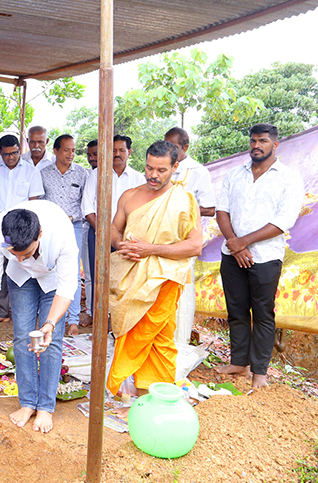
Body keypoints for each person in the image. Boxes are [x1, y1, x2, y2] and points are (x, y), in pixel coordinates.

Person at [107, 141, 202, 396]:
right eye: (149, 168)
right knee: (130, 332)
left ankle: (152, 395)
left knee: (159, 339)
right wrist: (119, 243)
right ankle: (136, 391)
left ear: (175, 167)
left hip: (162, 281)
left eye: (161, 170)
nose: (153, 175)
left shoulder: (184, 200)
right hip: (129, 278)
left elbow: (194, 246)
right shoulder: (129, 196)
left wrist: (151, 249)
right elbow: (114, 229)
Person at [0, 201, 79, 433]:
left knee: (49, 341)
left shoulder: (61, 233)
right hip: (20, 280)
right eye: (15, 254)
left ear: (40, 235)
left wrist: (49, 324)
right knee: (23, 337)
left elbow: (67, 289)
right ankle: (27, 403)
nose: (21, 259)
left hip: (53, 281)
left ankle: (45, 407)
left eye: (27, 253)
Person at [215, 124, 304, 389]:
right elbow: (222, 211)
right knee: (237, 310)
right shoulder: (234, 175)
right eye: (253, 141)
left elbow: (283, 221)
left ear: (275, 145)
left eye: (263, 141)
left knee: (263, 313)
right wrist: (236, 246)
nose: (256, 145)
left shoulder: (288, 177)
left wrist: (244, 242)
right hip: (232, 255)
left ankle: (260, 373)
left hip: (265, 257)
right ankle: (239, 363)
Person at [164, 127, 217, 345]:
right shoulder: (162, 166)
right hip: (160, 237)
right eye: (166, 145)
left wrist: (183, 210)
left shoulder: (198, 172)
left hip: (185, 239)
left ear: (185, 147)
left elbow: (210, 208)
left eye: (173, 146)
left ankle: (180, 341)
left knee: (182, 289)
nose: (169, 149)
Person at [81, 134, 144, 316]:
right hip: (98, 233)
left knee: (123, 276)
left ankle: (118, 317)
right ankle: (97, 316)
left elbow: (141, 210)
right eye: (113, 150)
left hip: (126, 236)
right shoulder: (96, 174)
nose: (117, 154)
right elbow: (87, 207)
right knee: (98, 277)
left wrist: (121, 233)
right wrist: (104, 232)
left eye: (121, 150)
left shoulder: (138, 178)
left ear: (129, 152)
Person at [40, 134, 88, 335]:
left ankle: (73, 320)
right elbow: (40, 202)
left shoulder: (82, 174)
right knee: (49, 270)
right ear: (56, 151)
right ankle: (50, 318)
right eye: (67, 149)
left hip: (73, 226)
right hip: (49, 228)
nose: (71, 154)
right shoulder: (43, 173)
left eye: (74, 150)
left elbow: (86, 202)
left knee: (73, 274)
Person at [0, 134, 43, 322]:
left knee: (23, 264)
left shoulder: (31, 172)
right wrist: (0, 221)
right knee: (3, 265)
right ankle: (1, 309)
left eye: (14, 153)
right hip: (0, 228)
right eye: (6, 154)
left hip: (23, 229)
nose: (11, 157)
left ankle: (24, 310)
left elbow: (34, 202)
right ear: (0, 153)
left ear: (19, 150)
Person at [80, 139, 98, 327]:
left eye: (95, 154)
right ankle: (93, 312)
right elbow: (87, 207)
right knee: (91, 275)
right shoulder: (90, 175)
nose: (92, 158)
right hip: (92, 229)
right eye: (89, 155)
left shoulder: (133, 177)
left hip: (122, 233)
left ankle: (112, 316)